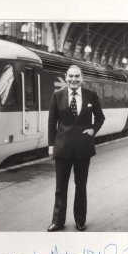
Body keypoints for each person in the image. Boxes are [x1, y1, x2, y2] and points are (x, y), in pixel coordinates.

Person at [47, 65, 105, 232]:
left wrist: (93, 129)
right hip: (62, 148)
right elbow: (52, 123)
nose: (74, 79)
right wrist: (51, 145)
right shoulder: (57, 96)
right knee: (60, 187)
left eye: (77, 76)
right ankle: (58, 221)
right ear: (66, 77)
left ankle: (80, 220)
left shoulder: (91, 96)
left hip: (83, 148)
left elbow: (100, 117)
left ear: (82, 78)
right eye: (71, 76)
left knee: (81, 185)